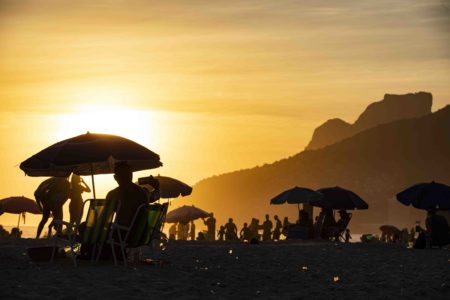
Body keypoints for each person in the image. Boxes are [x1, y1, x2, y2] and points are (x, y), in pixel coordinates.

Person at [106, 162, 150, 229]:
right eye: (122, 175)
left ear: (115, 177)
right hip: (138, 234)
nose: (125, 177)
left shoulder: (113, 194)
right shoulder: (141, 192)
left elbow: (104, 218)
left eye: (126, 174)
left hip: (123, 234)